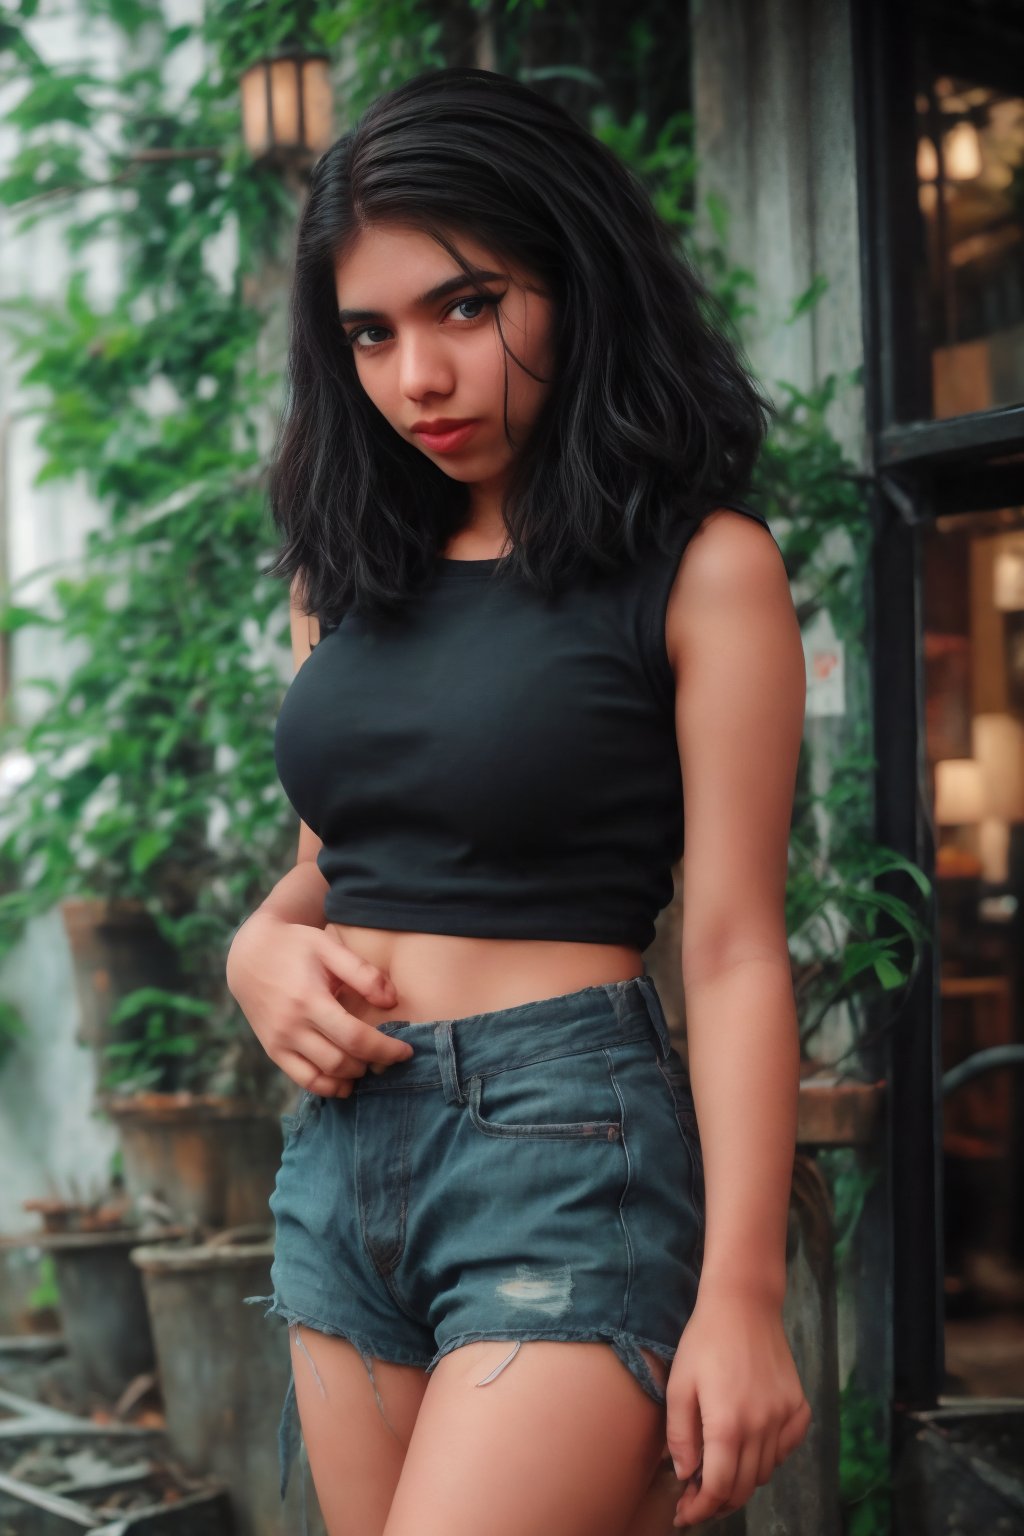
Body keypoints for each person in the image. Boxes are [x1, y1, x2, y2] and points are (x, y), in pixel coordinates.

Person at [227, 65, 810, 1536]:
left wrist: (743, 1296)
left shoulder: (703, 569)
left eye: (465, 307)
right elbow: (334, 868)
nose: (415, 375)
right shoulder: (347, 572)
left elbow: (738, 946)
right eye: (372, 331)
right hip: (343, 1159)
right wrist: (255, 950)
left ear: (573, 278)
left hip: (563, 1158)